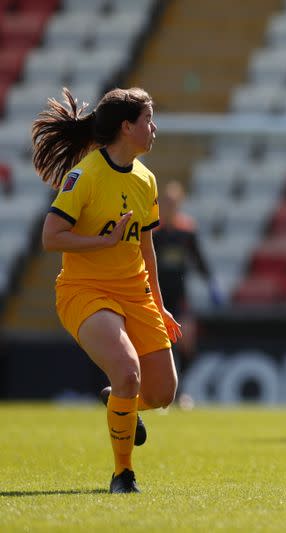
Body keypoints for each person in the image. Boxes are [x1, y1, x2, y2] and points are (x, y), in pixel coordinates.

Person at [32, 87, 180, 494]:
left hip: (135, 292)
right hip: (85, 290)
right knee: (129, 371)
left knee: (163, 393)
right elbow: (51, 237)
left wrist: (161, 307)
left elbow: (146, 248)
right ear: (127, 127)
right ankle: (123, 475)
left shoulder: (146, 180)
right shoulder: (85, 175)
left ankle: (117, 400)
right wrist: (103, 241)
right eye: (149, 120)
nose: (154, 128)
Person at [152, 180, 221, 409]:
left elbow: (198, 259)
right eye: (166, 202)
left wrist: (211, 283)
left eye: (174, 202)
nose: (170, 206)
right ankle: (160, 393)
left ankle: (180, 391)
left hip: (179, 296)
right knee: (160, 345)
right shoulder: (154, 232)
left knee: (187, 341)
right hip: (157, 297)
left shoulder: (186, 231)